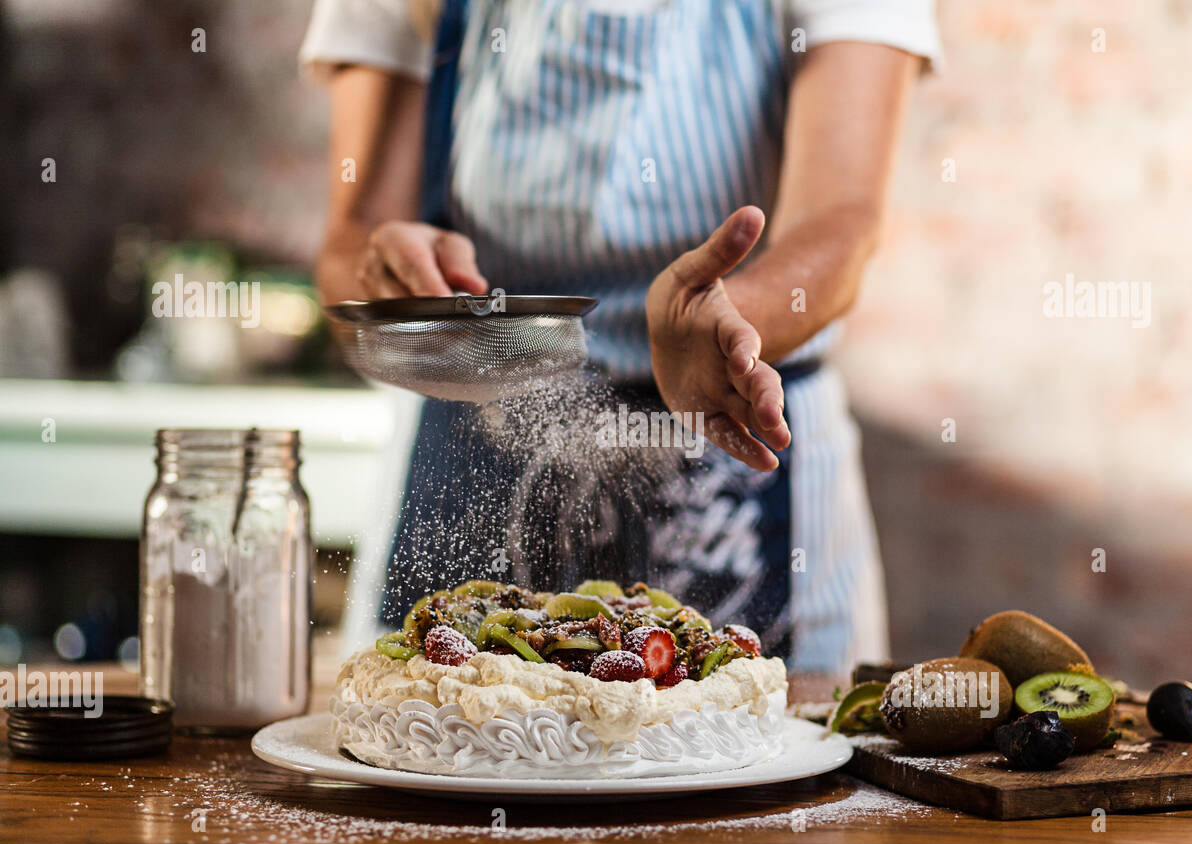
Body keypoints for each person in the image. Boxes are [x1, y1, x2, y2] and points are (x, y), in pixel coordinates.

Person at [302, 0, 941, 696]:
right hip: (475, 443)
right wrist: (390, 284)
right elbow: (354, 236)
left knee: (755, 759)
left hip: (736, 450)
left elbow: (839, 222)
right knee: (438, 738)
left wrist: (726, 319)